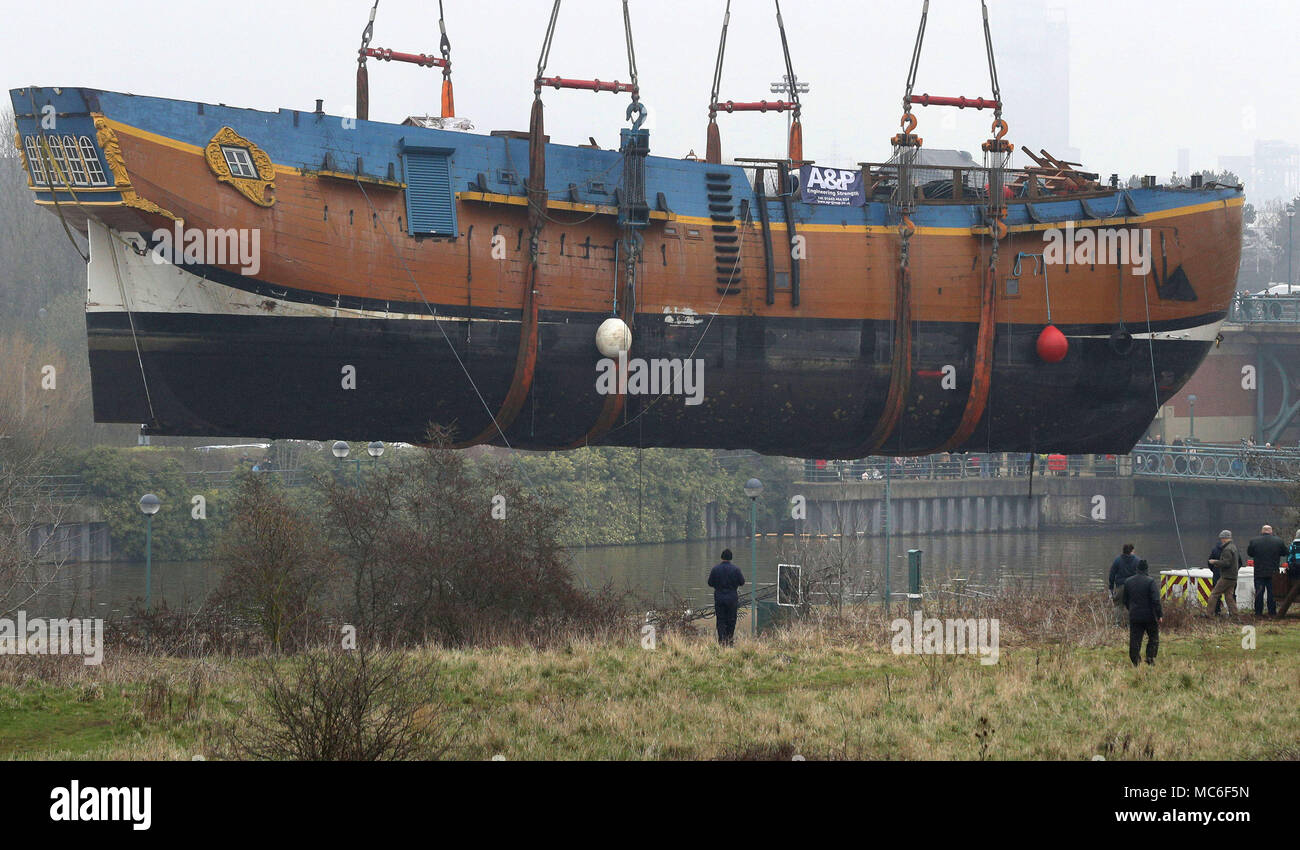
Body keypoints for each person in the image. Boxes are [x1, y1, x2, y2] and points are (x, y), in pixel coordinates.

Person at [1122, 560, 1163, 666]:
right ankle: (1150, 658)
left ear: (1137, 569)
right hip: (1150, 616)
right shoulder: (1151, 581)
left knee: (1135, 639)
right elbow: (1156, 600)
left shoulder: (1128, 581)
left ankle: (1135, 661)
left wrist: (1131, 609)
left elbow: (1125, 600)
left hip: (1135, 616)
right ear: (1146, 569)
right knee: (1153, 638)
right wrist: (1159, 615)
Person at [1246, 524, 1289, 617]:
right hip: (1273, 573)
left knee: (1259, 592)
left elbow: (1250, 553)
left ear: (1262, 531)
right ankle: (1272, 612)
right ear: (1271, 531)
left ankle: (1258, 612)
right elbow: (1285, 552)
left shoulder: (1254, 541)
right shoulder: (1279, 541)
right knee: (1272, 593)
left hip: (1259, 572)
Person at [707, 549, 746, 646]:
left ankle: (721, 642)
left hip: (719, 598)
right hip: (732, 598)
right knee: (731, 620)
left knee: (720, 620)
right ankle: (729, 641)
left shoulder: (715, 569)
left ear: (721, 557)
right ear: (731, 558)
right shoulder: (736, 570)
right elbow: (742, 582)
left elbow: (710, 583)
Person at [1207, 530, 1240, 617]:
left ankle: (1209, 614)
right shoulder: (1234, 547)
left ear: (1225, 539)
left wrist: (1215, 562)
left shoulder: (1227, 549)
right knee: (1229, 597)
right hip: (1233, 577)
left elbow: (1226, 563)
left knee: (1214, 594)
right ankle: (1235, 615)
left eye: (1221, 538)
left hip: (1226, 577)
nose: (1221, 540)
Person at [1108, 544, 1140, 625]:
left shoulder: (1117, 560)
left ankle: (1117, 624)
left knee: (1118, 605)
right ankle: (1131, 624)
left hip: (1120, 586)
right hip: (1133, 586)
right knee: (1133, 605)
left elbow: (1112, 574)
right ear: (1132, 551)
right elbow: (1142, 574)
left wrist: (1111, 587)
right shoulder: (1137, 560)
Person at [1278, 534, 1300, 618]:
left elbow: (1289, 559)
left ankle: (1280, 615)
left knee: (1291, 595)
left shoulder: (1292, 546)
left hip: (1295, 573)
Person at [1207, 538, 1224, 615]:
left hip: (1217, 575)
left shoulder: (1215, 550)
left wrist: (1214, 570)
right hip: (1229, 576)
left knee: (1216, 594)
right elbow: (1239, 562)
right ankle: (1232, 613)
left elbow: (1209, 562)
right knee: (1231, 595)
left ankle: (1216, 611)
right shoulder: (1233, 549)